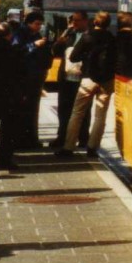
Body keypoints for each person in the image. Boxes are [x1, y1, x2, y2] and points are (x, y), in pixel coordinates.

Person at [60, 11, 117, 158]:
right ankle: (92, 148)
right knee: (100, 115)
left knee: (77, 113)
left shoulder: (87, 37)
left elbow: (73, 58)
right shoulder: (112, 38)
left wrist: (87, 56)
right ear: (108, 24)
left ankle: (68, 147)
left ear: (95, 22)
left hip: (88, 79)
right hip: (107, 81)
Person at [0, 22, 24, 170]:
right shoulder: (13, 51)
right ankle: (3, 160)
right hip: (9, 96)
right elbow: (19, 74)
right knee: (8, 130)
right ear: (9, 35)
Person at [50, 11, 90, 150]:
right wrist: (60, 40)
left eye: (78, 20)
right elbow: (55, 51)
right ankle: (62, 137)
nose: (75, 24)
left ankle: (83, 138)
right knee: (64, 109)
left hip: (82, 78)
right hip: (66, 78)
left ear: (85, 21)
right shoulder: (68, 34)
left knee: (83, 111)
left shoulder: (89, 36)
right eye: (73, 21)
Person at [12, 11, 51, 148]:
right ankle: (24, 139)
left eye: (40, 24)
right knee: (25, 108)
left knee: (33, 108)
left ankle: (31, 139)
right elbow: (17, 51)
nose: (39, 27)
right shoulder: (20, 34)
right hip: (25, 76)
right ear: (29, 23)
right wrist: (34, 45)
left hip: (35, 76)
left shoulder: (36, 34)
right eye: (37, 24)